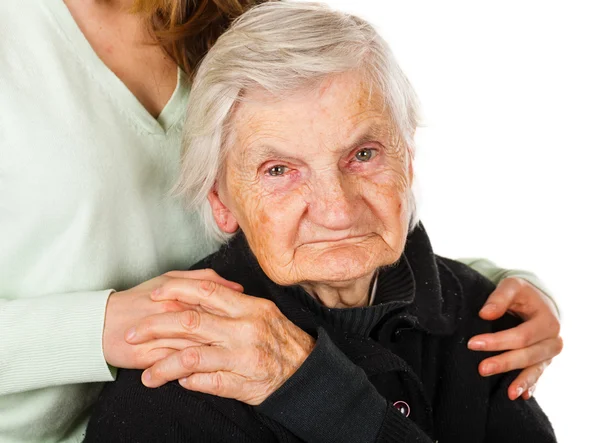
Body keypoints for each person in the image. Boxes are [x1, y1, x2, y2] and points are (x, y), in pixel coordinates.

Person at [0, 0, 561, 442]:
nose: (335, 205)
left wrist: (486, 291)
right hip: (176, 392)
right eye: (277, 170)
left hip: (270, 349)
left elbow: (341, 170)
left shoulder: (236, 16)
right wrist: (96, 328)